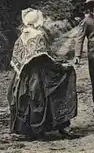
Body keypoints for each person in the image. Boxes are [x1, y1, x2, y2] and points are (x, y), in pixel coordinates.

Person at [7, 8, 78, 139]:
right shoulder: (38, 35)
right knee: (61, 81)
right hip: (38, 73)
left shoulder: (22, 35)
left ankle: (30, 130)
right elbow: (44, 59)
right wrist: (61, 66)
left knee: (27, 97)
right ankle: (62, 125)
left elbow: (19, 58)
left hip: (23, 75)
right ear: (37, 21)